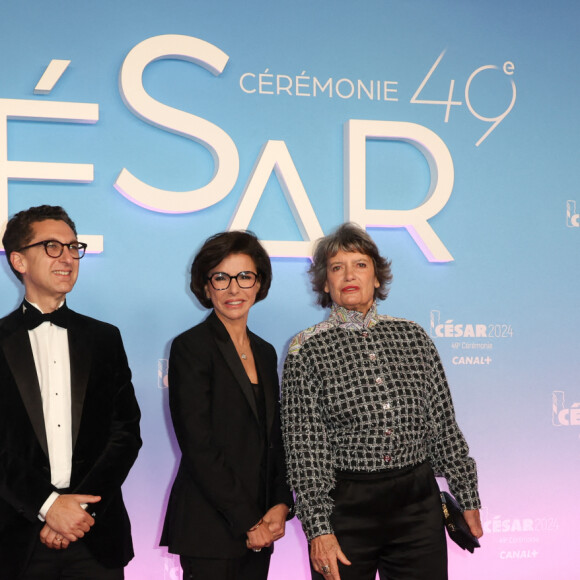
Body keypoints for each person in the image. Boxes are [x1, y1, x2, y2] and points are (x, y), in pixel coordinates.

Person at [281, 223, 483, 580]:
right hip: (347, 510)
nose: (348, 275)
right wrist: (318, 529)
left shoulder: (413, 336)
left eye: (359, 264)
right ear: (325, 283)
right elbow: (305, 449)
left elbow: (443, 425)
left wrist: (467, 497)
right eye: (336, 267)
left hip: (418, 506)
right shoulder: (305, 349)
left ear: (377, 276)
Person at [0, 205, 142, 580]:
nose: (67, 257)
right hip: (15, 541)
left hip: (95, 536)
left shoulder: (105, 339)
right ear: (18, 260)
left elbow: (125, 433)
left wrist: (77, 513)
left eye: (72, 247)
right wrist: (48, 506)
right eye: (51, 247)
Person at [160, 231, 293, 580]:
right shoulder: (191, 347)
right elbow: (198, 445)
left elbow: (274, 437)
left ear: (258, 283)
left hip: (262, 526)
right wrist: (248, 521)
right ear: (206, 287)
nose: (234, 289)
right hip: (211, 527)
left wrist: (280, 503)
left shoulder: (264, 352)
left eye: (244, 277)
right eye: (221, 278)